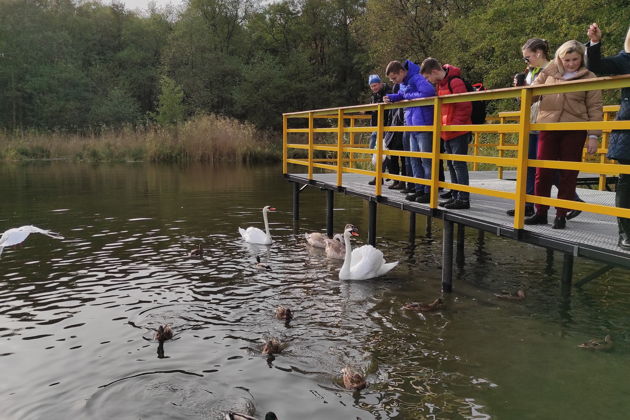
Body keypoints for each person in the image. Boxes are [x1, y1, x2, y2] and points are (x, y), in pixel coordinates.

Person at [524, 40, 602, 229]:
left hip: (574, 129)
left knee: (568, 173)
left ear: (581, 58)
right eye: (566, 59)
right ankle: (540, 212)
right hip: (549, 127)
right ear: (559, 58)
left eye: (575, 59)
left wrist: (593, 136)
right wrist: (528, 87)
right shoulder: (549, 72)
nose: (571, 63)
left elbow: (595, 108)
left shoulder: (589, 77)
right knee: (542, 172)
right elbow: (530, 94)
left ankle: (561, 214)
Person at [586, 23, 630, 249]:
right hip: (629, 132)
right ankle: (625, 233)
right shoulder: (625, 59)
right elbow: (595, 65)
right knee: (627, 182)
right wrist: (595, 42)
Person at [420, 58, 472, 209]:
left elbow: (464, 107)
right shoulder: (440, 85)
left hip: (458, 131)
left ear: (435, 71)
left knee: (459, 164)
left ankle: (463, 198)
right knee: (451, 164)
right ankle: (455, 195)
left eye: (428, 77)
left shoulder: (455, 82)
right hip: (447, 131)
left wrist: (453, 126)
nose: (428, 81)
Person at [384, 60, 435, 203]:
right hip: (411, 124)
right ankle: (418, 189)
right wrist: (392, 98)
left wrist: (407, 96)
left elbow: (429, 91)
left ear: (401, 72)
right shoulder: (404, 82)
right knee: (414, 159)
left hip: (423, 124)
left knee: (425, 160)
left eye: (394, 78)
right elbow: (401, 94)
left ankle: (428, 191)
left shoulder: (416, 78)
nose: (394, 81)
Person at [367, 74, 392, 185]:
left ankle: (380, 176)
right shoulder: (374, 95)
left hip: (386, 125)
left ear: (380, 83)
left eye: (375, 85)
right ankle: (380, 175)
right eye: (371, 86)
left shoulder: (388, 91)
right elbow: (373, 109)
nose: (374, 88)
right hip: (376, 125)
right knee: (373, 149)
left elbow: (387, 108)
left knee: (381, 151)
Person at [383, 83, 408, 190]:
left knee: (403, 159)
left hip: (401, 133)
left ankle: (402, 181)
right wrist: (387, 132)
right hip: (393, 133)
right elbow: (389, 118)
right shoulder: (393, 105)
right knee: (392, 158)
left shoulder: (404, 103)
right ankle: (395, 180)